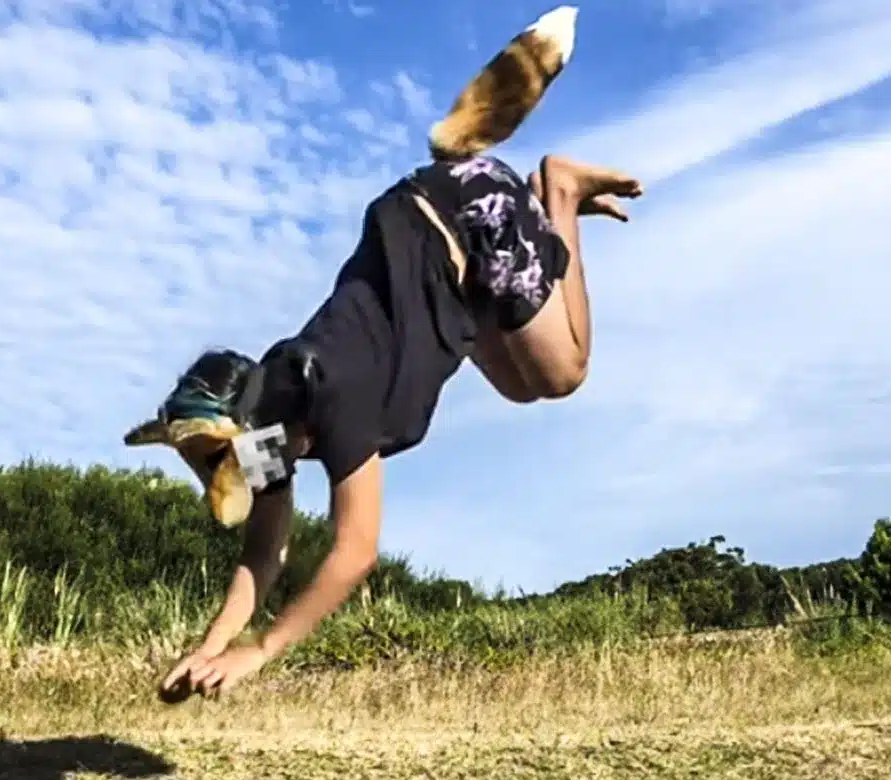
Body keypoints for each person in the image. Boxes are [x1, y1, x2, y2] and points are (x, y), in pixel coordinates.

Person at [121, 6, 644, 698]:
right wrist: (213, 646)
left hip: (470, 218)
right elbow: (264, 553)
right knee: (519, 387)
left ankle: (561, 193)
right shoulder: (268, 420)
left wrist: (264, 650)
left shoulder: (334, 394)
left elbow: (354, 553)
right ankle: (512, 185)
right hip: (430, 238)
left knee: (564, 372)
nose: (251, 474)